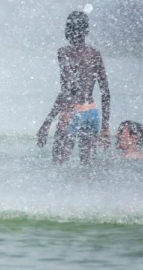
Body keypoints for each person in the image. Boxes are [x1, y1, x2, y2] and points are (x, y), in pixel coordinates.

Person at [36, 11, 112, 165]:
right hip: (92, 113)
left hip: (73, 112)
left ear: (68, 30)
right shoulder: (95, 54)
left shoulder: (64, 53)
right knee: (87, 167)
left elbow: (68, 90)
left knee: (58, 165)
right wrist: (105, 127)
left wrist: (47, 122)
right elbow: (106, 93)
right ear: (86, 31)